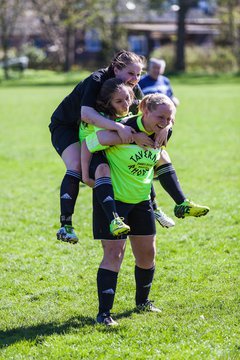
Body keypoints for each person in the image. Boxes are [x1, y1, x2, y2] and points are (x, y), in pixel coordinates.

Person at [85, 91, 209, 326]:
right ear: (145, 110)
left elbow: (160, 155)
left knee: (147, 255)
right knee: (114, 255)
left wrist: (165, 127)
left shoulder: (163, 130)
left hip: (141, 201)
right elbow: (89, 143)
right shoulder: (121, 128)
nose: (165, 123)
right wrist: (84, 173)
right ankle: (104, 314)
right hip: (113, 201)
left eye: (169, 119)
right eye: (160, 117)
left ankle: (143, 302)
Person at [49, 50, 174, 244]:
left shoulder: (131, 87)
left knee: (134, 157)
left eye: (139, 74)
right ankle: (66, 226)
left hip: (95, 130)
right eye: (131, 74)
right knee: (75, 165)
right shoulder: (97, 79)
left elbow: (151, 110)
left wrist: (167, 126)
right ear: (116, 69)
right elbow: (86, 114)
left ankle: (154, 208)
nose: (135, 79)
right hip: (68, 126)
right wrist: (119, 127)